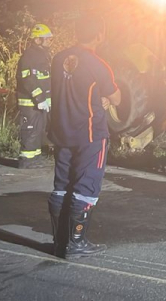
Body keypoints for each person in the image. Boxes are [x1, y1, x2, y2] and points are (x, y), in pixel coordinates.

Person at [47, 15, 120, 259]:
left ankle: (60, 242)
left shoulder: (58, 59)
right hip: (90, 134)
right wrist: (106, 98)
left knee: (61, 186)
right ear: (99, 35)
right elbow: (116, 97)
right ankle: (76, 243)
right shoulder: (97, 64)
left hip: (61, 131)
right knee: (86, 186)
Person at [16, 24, 54, 169]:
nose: (49, 42)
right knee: (30, 130)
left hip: (40, 101)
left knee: (38, 129)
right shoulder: (30, 55)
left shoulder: (42, 55)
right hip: (30, 101)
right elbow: (28, 79)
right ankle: (26, 160)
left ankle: (35, 157)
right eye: (47, 39)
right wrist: (39, 98)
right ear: (37, 40)